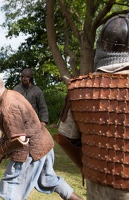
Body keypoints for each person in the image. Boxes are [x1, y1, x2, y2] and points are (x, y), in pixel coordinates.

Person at [59, 14, 129, 200]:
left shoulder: (79, 88)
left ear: (101, 48)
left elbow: (65, 138)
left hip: (97, 187)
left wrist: (86, 165)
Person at [0, 74, 82, 200]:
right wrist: (3, 143)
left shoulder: (7, 106)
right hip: (44, 144)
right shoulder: (12, 93)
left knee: (10, 190)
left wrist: (0, 150)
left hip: (31, 152)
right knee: (49, 180)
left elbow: (20, 139)